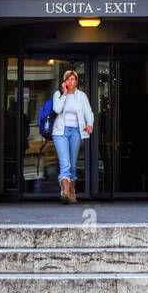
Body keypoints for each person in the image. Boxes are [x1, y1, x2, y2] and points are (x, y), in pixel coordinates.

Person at [51, 69, 94, 203]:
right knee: (66, 163)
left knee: (73, 165)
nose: (71, 81)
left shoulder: (81, 96)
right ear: (65, 81)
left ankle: (71, 192)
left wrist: (90, 124)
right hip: (60, 132)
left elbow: (88, 112)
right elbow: (57, 109)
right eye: (68, 79)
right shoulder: (58, 94)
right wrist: (64, 93)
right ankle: (65, 192)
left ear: (76, 81)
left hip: (76, 131)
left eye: (73, 79)